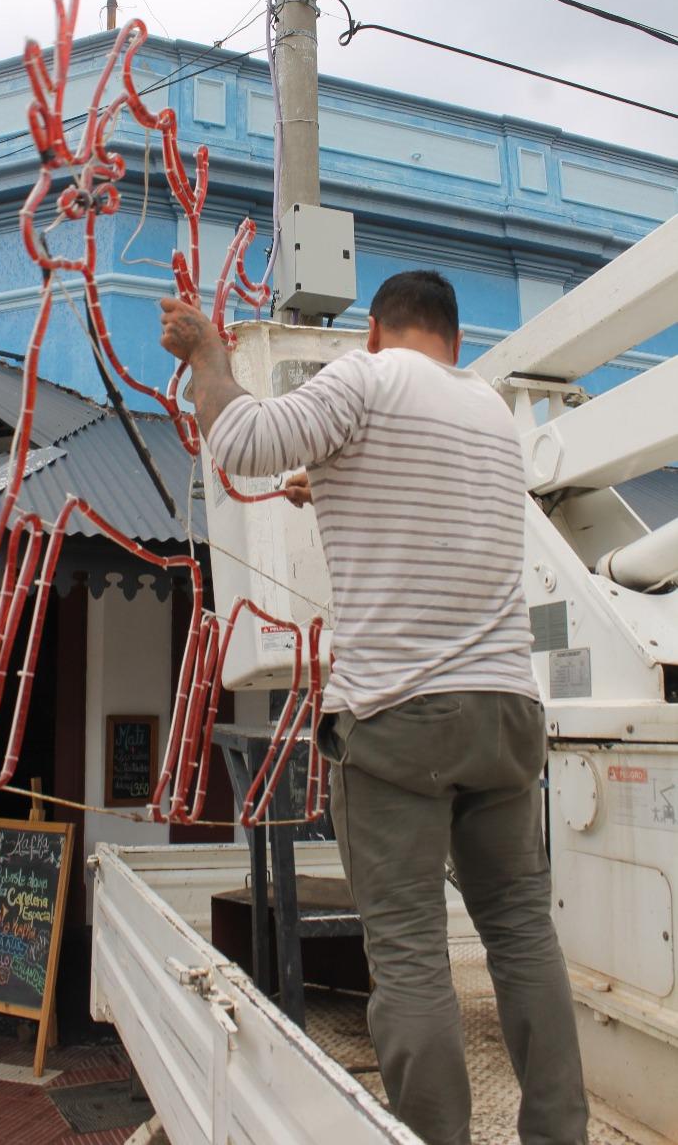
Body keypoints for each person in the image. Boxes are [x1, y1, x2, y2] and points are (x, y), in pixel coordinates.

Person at [159, 269, 588, 1145]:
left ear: (374, 331)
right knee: (519, 933)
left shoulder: (365, 378)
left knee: (408, 952)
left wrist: (207, 352)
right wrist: (331, 484)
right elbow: (425, 503)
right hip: (506, 711)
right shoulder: (491, 413)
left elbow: (241, 437)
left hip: (399, 716)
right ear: (455, 341)